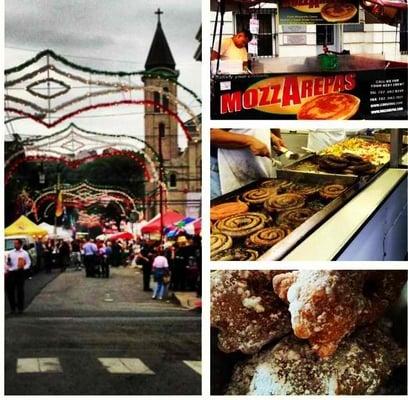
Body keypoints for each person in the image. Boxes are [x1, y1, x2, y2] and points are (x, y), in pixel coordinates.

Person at [211, 128, 286, 198]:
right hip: (231, 169)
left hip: (257, 171)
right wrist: (249, 141)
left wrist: (272, 137)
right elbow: (212, 134)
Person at [5, 239, 31, 314]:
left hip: (20, 273)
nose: (15, 245)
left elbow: (28, 263)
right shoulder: (10, 253)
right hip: (12, 273)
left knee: (20, 291)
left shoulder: (24, 253)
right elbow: (8, 264)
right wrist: (8, 262)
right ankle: (12, 308)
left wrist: (24, 268)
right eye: (14, 244)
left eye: (16, 243)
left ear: (20, 244)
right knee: (10, 291)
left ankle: (20, 308)